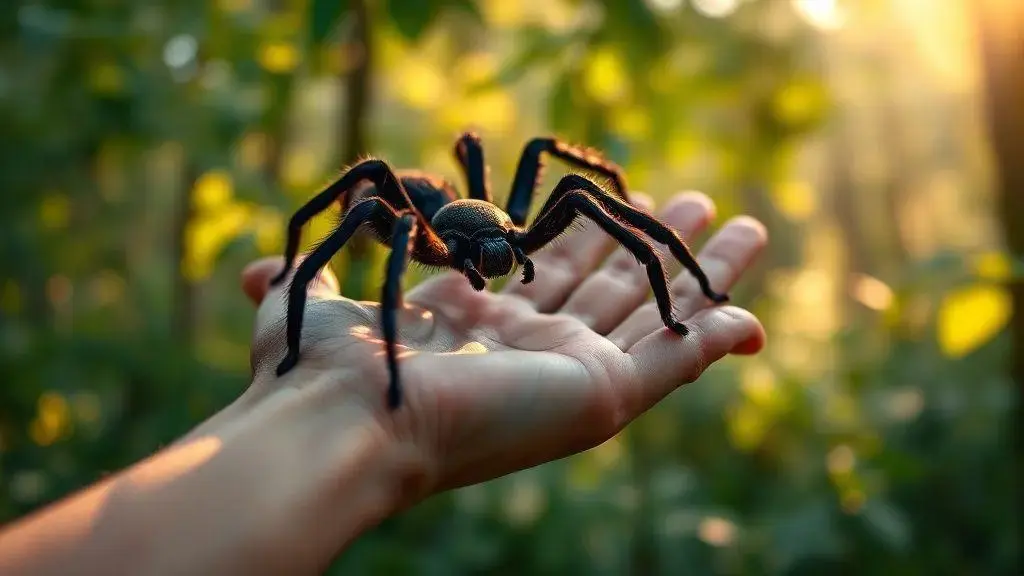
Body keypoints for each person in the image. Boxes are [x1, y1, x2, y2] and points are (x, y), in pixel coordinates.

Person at [0, 191, 767, 575]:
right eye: (492, 253)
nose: (499, 262)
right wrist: (374, 374)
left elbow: (616, 216)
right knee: (376, 200)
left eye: (508, 250)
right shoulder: (425, 233)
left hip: (487, 225)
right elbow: (383, 216)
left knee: (582, 194)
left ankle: (688, 284)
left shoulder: (521, 230)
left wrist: (677, 296)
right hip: (437, 237)